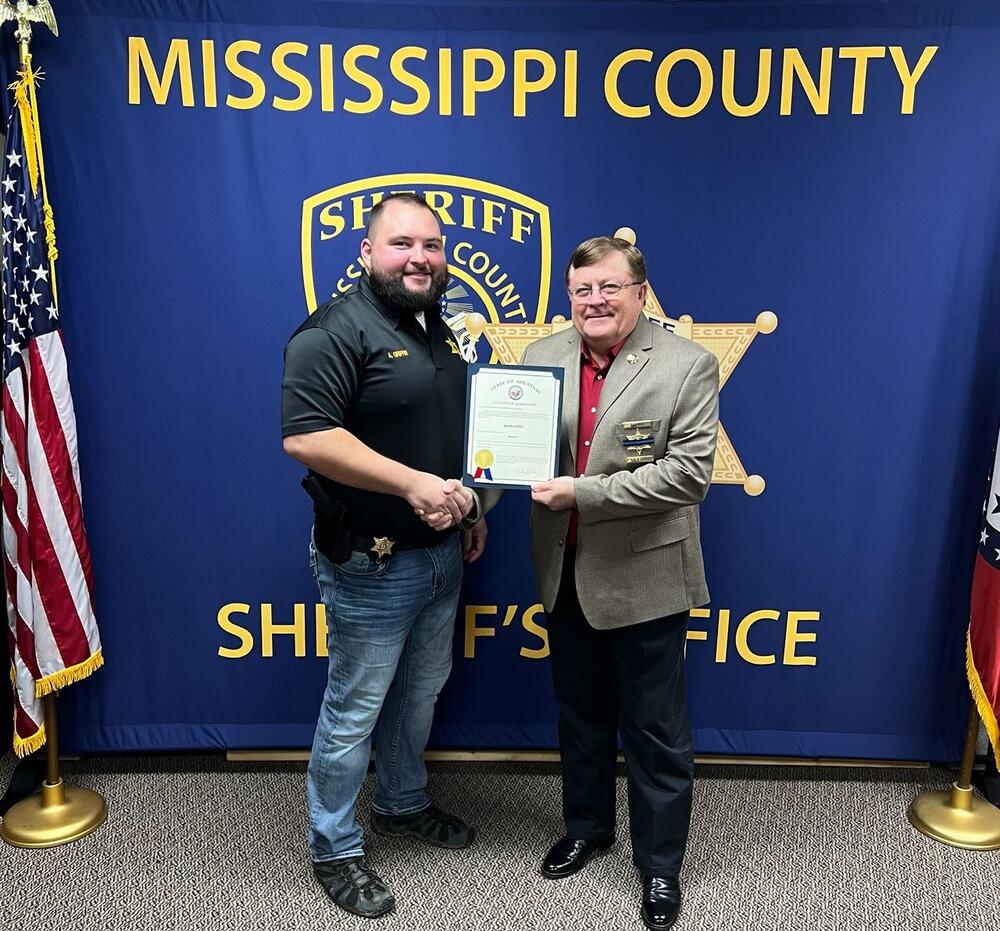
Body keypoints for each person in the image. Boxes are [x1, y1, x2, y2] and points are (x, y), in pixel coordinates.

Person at [281, 192, 488, 920]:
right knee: (355, 708)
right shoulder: (336, 330)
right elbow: (307, 436)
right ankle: (333, 847)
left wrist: (471, 506)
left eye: (432, 245)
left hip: (440, 553)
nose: (420, 258)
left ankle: (401, 803)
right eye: (402, 244)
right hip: (371, 564)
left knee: (421, 691)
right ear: (367, 253)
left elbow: (447, 427)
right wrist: (413, 486)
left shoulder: (438, 326)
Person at [522, 236, 719, 931]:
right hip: (564, 571)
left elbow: (688, 475)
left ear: (640, 290)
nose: (595, 301)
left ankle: (660, 867)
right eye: (582, 290)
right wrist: (476, 489)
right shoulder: (541, 357)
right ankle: (587, 826)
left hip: (645, 575)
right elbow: (514, 453)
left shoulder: (686, 364)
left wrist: (583, 491)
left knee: (656, 731)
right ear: (568, 296)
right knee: (579, 716)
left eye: (609, 287)